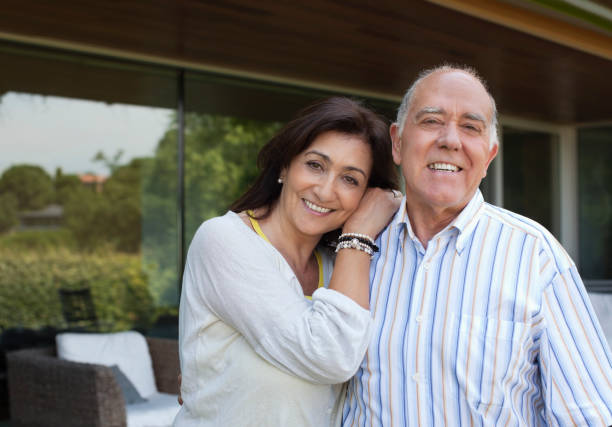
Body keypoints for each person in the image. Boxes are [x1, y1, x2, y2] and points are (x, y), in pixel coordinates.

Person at [342, 65, 612, 426]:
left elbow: (589, 416)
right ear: (397, 142)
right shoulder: (354, 250)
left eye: (470, 127)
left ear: (489, 156)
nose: (450, 140)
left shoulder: (537, 257)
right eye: (431, 120)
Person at [174, 97, 401, 426]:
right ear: (284, 166)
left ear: (366, 197)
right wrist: (359, 234)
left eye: (350, 179)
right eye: (315, 165)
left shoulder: (341, 266)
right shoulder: (223, 240)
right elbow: (332, 356)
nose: (325, 190)